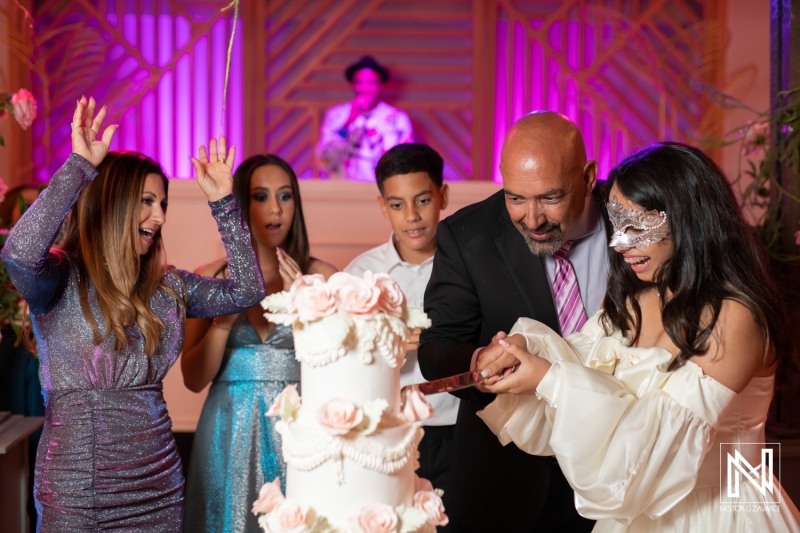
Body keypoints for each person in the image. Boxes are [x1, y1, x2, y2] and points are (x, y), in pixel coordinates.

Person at [478, 142, 800, 532]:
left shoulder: (734, 318)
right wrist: (526, 351)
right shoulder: (634, 298)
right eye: (615, 224)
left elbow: (645, 462)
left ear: (689, 218)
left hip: (723, 513)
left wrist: (548, 378)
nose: (619, 243)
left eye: (638, 227)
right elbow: (575, 363)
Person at [0, 96, 266, 531]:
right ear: (114, 203)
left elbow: (248, 289)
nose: (159, 216)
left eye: (163, 204)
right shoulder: (58, 278)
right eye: (146, 201)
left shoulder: (170, 286)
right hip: (75, 484)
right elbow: (18, 254)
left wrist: (223, 202)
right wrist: (78, 169)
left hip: (156, 482)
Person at [418, 111, 605, 532]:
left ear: (589, 176)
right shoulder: (467, 236)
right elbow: (436, 348)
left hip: (619, 463)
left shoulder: (630, 218)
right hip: (509, 477)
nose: (532, 219)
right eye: (515, 197)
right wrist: (480, 358)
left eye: (550, 197)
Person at [181, 154, 336, 533]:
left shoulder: (325, 277)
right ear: (240, 203)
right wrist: (222, 323)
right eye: (261, 196)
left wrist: (307, 309)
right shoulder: (209, 277)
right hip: (225, 435)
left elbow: (337, 372)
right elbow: (192, 379)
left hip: (301, 435)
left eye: (285, 196)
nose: (275, 209)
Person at [344, 143, 456, 531]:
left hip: (461, 427)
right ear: (382, 206)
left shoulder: (467, 265)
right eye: (397, 205)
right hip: (393, 433)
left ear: (442, 195)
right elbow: (345, 361)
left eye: (423, 200)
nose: (411, 216)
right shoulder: (361, 274)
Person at [316, 55, 413, 181]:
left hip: (383, 189)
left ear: (381, 86)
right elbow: (324, 162)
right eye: (359, 82)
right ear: (352, 85)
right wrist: (349, 120)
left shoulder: (397, 118)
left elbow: (407, 161)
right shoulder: (336, 115)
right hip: (344, 190)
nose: (365, 88)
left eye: (371, 83)